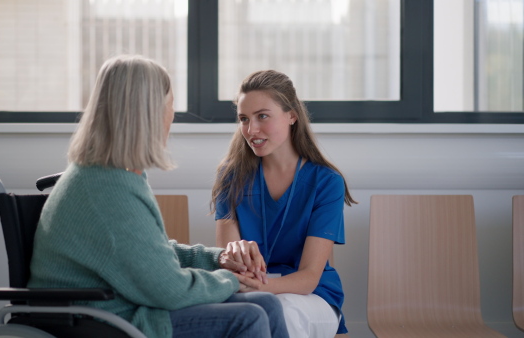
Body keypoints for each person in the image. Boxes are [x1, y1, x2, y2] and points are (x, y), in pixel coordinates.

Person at [27, 55, 289, 338]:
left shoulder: (115, 175)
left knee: (266, 303)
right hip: (103, 319)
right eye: (170, 106)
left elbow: (153, 253)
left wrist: (220, 259)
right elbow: (168, 290)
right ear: (147, 113)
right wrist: (230, 280)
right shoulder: (106, 191)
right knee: (248, 318)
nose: (172, 116)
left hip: (125, 306)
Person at [211, 70, 357, 337]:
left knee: (279, 312)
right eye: (244, 119)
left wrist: (259, 289)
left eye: (262, 116)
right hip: (250, 294)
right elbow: (229, 263)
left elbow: (309, 277)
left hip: (311, 296)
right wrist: (238, 268)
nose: (251, 129)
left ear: (292, 116)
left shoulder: (326, 182)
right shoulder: (230, 178)